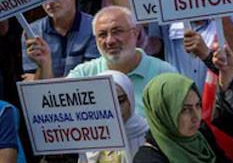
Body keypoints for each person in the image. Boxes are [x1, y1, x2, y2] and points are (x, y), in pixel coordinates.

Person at [42, 6, 176, 116]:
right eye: (102, 35)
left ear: (135, 33)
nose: (110, 41)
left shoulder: (163, 73)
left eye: (117, 31)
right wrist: (44, 64)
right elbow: (58, 111)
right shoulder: (84, 74)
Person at [133, 73, 233, 163]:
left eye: (198, 105)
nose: (196, 117)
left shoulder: (201, 134)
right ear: (163, 113)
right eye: (185, 110)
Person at [23, 0, 99, 79]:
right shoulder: (31, 32)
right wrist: (44, 65)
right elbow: (32, 85)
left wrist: (46, 71)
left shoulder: (94, 27)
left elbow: (91, 79)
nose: (50, 1)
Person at [77, 70, 148, 163]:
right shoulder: (90, 136)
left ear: (130, 99)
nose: (115, 110)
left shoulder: (147, 134)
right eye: (106, 103)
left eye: (120, 101)